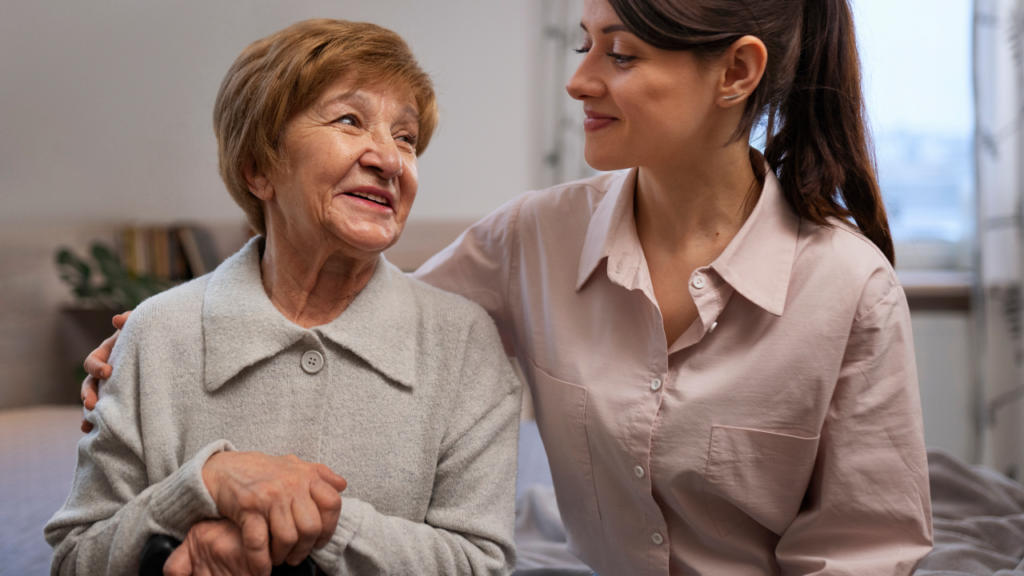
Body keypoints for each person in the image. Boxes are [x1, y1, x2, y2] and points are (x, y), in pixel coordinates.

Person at [82, 0, 935, 573]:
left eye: (621, 54)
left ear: (736, 74)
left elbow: (862, 550)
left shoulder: (850, 288)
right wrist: (155, 345)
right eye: (583, 45)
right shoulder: (531, 236)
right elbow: (364, 316)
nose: (580, 79)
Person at [48, 19, 522, 576]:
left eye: (406, 137)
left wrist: (321, 519)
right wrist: (203, 484)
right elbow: (75, 560)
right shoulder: (155, 334)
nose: (391, 161)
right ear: (258, 170)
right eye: (350, 120)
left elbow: (481, 565)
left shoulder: (464, 342)